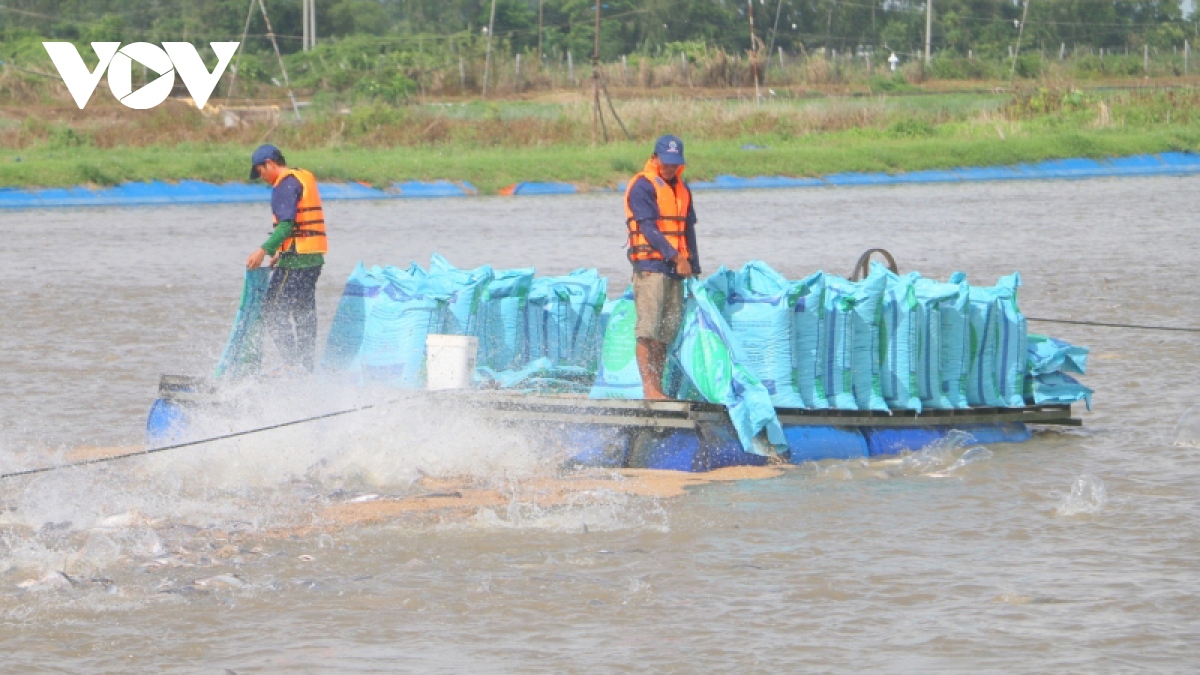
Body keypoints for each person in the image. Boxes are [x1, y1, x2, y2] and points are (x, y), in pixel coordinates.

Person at [623, 134, 701, 400]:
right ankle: (650, 390)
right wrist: (675, 257)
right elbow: (648, 228)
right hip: (650, 267)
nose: (669, 168)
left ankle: (659, 388)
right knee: (648, 330)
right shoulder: (642, 186)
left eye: (674, 163)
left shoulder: (682, 188)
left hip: (674, 270)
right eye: (665, 162)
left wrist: (693, 265)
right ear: (655, 158)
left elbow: (687, 229)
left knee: (665, 333)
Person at [245, 144, 327, 373]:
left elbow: (287, 224)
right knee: (303, 312)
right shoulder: (303, 177)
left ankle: (292, 363)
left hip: (296, 260)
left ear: (270, 163)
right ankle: (306, 367)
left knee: (271, 311)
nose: (261, 177)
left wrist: (264, 250)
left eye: (260, 171)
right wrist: (280, 250)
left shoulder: (283, 184)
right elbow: (299, 223)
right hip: (313, 258)